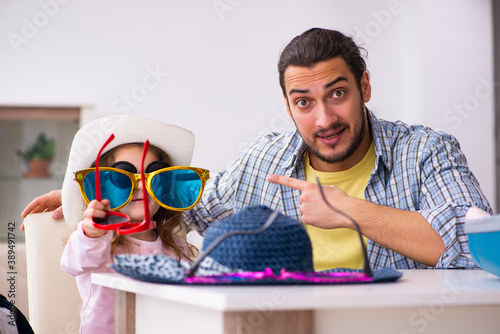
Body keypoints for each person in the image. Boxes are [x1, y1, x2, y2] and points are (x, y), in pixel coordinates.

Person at [22, 28, 491, 271]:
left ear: (364, 86)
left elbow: (481, 250)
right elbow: (188, 201)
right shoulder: (264, 160)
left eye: (338, 94)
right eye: (304, 102)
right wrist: (91, 193)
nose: (324, 119)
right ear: (288, 106)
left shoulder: (427, 151)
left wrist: (351, 210)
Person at [59, 116, 203, 333]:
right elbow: (72, 262)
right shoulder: (98, 244)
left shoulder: (177, 247)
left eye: (152, 176)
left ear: (164, 189)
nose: (141, 186)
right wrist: (92, 231)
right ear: (103, 188)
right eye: (124, 177)